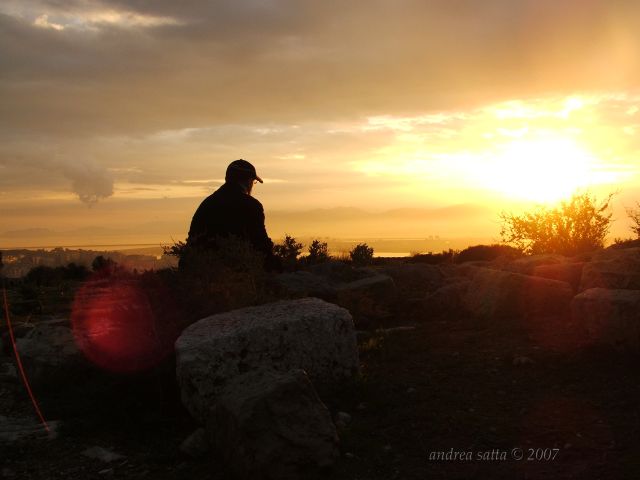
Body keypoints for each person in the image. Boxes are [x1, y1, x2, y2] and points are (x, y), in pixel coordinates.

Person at [185, 159, 277, 268]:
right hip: (235, 271)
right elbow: (260, 243)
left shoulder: (207, 204)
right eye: (253, 181)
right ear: (248, 181)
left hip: (197, 269)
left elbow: (193, 240)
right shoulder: (251, 205)